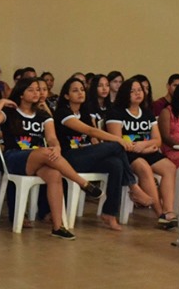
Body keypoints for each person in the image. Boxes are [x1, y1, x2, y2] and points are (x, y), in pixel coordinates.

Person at [0, 77, 102, 240]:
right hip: (15, 158)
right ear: (21, 93)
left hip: (39, 158)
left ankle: (57, 227)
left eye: (38, 90)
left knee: (54, 174)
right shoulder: (10, 112)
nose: (36, 93)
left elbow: (52, 138)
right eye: (31, 90)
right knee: (46, 153)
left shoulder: (43, 115)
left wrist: (57, 147)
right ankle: (82, 182)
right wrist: (2, 101)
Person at [53, 76, 151, 231]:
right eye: (75, 90)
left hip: (87, 155)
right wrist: (119, 140)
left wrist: (104, 149)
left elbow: (93, 138)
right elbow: (91, 131)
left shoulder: (85, 113)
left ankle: (109, 213)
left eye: (82, 90)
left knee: (116, 164)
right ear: (66, 96)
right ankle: (133, 186)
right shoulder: (63, 113)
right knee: (115, 146)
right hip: (69, 158)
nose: (80, 93)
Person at [106, 76, 179, 229]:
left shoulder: (147, 113)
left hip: (145, 150)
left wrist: (144, 146)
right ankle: (160, 214)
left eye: (140, 90)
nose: (138, 93)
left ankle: (169, 210)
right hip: (127, 154)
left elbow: (157, 140)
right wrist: (141, 147)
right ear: (125, 93)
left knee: (170, 168)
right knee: (144, 167)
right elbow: (117, 141)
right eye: (133, 91)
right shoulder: (116, 112)